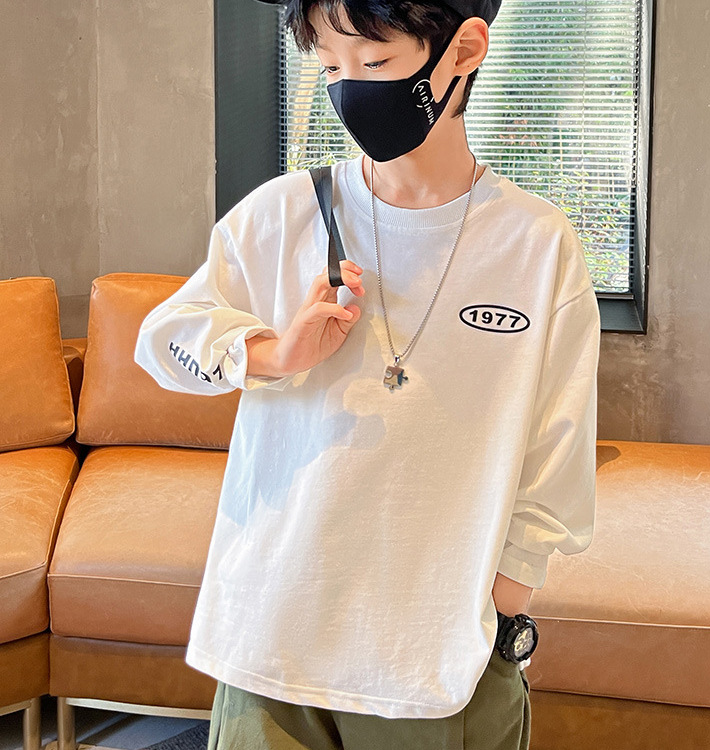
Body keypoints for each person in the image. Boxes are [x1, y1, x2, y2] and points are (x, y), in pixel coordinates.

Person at [133, 0, 601, 748]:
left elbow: (559, 444)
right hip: (271, 643)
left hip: (436, 664)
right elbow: (162, 342)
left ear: (464, 50)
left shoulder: (536, 244)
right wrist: (272, 354)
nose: (350, 89)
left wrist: (504, 593)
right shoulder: (283, 214)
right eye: (330, 68)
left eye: (375, 63)